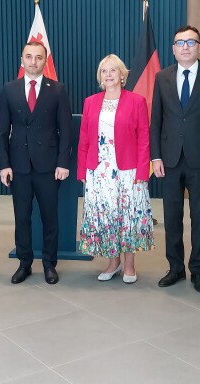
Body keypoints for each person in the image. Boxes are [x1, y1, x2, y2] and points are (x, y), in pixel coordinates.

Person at [150, 25, 200, 293]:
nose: (185, 47)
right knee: (172, 218)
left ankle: (198, 271)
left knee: (198, 218)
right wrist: (155, 156)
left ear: (199, 46)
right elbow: (156, 122)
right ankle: (175, 268)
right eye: (180, 43)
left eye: (190, 42)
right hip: (169, 160)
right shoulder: (162, 77)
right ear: (173, 48)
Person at [0, 41, 72, 285]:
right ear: (22, 60)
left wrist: (63, 162)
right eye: (28, 57)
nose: (33, 61)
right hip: (18, 167)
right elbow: (1, 131)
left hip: (49, 167)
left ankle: (49, 264)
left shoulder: (57, 90)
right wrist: (4, 164)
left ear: (45, 60)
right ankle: (24, 263)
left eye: (38, 57)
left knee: (50, 217)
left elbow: (66, 130)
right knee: (22, 217)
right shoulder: (9, 89)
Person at [77, 54, 154, 283]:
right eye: (104, 71)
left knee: (127, 216)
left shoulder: (136, 101)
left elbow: (144, 140)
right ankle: (113, 261)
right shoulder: (90, 101)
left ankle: (129, 264)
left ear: (122, 75)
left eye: (113, 71)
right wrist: (83, 170)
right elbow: (84, 139)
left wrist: (142, 172)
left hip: (127, 170)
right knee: (107, 217)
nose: (108, 75)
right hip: (99, 171)